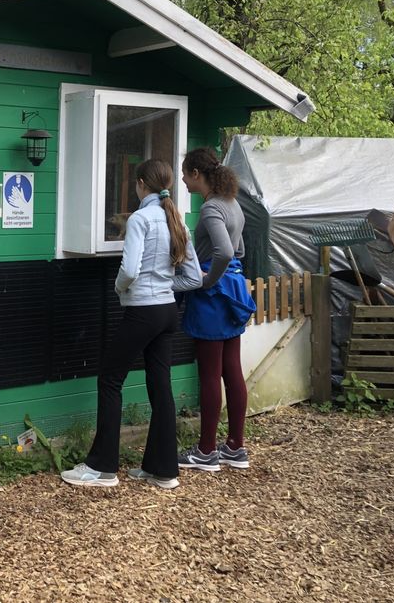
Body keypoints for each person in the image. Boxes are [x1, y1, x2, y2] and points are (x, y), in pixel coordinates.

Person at [61, 159, 202, 491]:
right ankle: (163, 470)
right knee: (160, 385)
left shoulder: (140, 219)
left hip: (143, 311)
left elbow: (130, 270)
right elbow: (194, 277)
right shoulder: (176, 218)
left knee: (110, 379)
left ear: (141, 184)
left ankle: (102, 468)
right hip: (168, 312)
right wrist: (165, 287)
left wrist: (121, 288)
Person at [177, 147, 257, 473]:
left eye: (185, 173)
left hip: (214, 295)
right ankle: (235, 446)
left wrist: (207, 279)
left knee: (209, 374)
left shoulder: (211, 208)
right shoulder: (232, 203)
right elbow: (238, 249)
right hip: (234, 289)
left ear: (197, 174)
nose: (182, 180)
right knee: (231, 370)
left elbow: (224, 250)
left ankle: (207, 450)